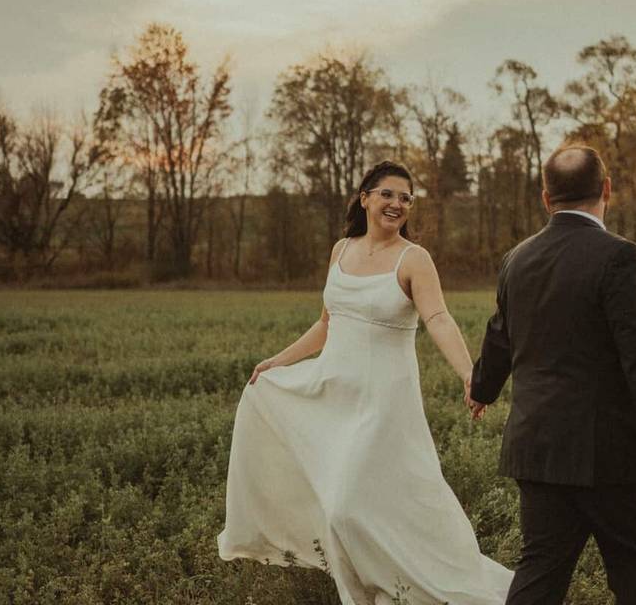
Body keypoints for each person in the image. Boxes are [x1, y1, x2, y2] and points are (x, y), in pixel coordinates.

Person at [217, 160, 513, 604]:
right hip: (334, 395)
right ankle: (369, 588)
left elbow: (438, 318)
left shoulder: (414, 259)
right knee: (349, 505)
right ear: (365, 197)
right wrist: (277, 361)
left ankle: (401, 584)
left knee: (346, 506)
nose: (397, 204)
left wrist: (469, 373)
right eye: (388, 194)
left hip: (383, 405)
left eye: (406, 198)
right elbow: (326, 323)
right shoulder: (341, 250)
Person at [467, 144, 636, 605]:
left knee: (539, 577)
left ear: (546, 198)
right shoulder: (620, 257)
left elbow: (501, 336)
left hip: (539, 450)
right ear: (607, 190)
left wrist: (481, 388)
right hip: (615, 457)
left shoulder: (516, 260)